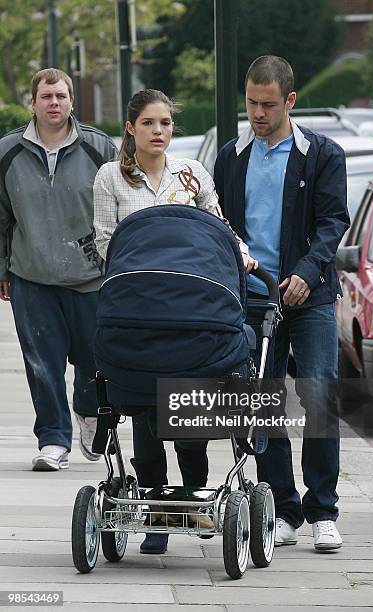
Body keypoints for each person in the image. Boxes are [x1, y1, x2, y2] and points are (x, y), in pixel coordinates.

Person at [93, 88, 256, 554]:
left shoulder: (192, 174)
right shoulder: (110, 178)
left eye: (165, 123)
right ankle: (156, 515)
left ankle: (193, 493)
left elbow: (219, 229)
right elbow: (107, 243)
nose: (158, 131)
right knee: (146, 412)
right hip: (140, 308)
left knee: (185, 415)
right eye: (148, 123)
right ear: (130, 127)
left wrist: (241, 257)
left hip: (189, 309)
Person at [214, 56, 350, 551]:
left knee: (318, 397)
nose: (257, 112)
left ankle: (323, 510)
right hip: (251, 299)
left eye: (268, 104)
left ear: (290, 101)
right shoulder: (231, 155)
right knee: (261, 404)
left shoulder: (322, 154)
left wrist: (306, 274)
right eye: (250, 102)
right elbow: (221, 223)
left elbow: (334, 222)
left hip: (309, 296)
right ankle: (282, 509)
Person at [0, 68, 117, 472]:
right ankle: (53, 439)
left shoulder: (98, 148)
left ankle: (87, 411)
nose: (54, 103)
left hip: (91, 278)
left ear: (72, 101)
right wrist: (3, 268)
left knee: (93, 359)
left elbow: (119, 207)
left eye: (61, 96)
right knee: (42, 363)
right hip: (31, 277)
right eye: (46, 96)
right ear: (31, 102)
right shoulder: (8, 152)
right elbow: (1, 217)